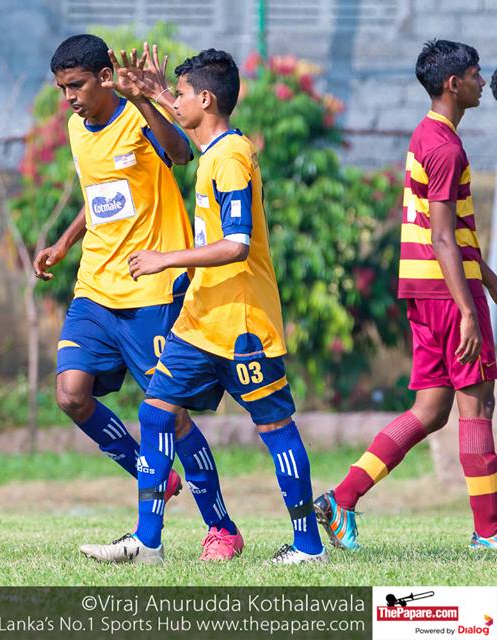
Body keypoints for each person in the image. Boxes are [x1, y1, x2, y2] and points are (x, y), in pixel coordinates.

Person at [80, 47, 326, 565]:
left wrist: (166, 259)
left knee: (275, 428)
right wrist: (152, 92)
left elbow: (237, 243)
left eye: (185, 93)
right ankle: (149, 543)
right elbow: (186, 127)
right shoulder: (213, 148)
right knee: (155, 413)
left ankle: (308, 546)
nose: (179, 100)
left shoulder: (232, 157)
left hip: (241, 324)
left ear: (207, 98)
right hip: (199, 321)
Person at [39, 35, 240, 554]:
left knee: (171, 413)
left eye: (77, 85)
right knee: (70, 394)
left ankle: (221, 527)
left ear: (105, 77)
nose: (70, 98)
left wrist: (146, 100)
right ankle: (155, 476)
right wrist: (64, 241)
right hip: (94, 288)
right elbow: (98, 198)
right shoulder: (74, 130)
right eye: (63, 89)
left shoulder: (136, 117)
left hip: (151, 289)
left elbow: (178, 153)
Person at [315, 40, 497, 551]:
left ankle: (342, 497)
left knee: (431, 410)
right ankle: (489, 533)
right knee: (477, 409)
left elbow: (450, 233)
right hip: (447, 296)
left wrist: (486, 277)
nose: (482, 82)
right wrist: (467, 308)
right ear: (452, 84)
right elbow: (442, 236)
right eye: (475, 74)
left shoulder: (427, 136)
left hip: (427, 291)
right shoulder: (446, 147)